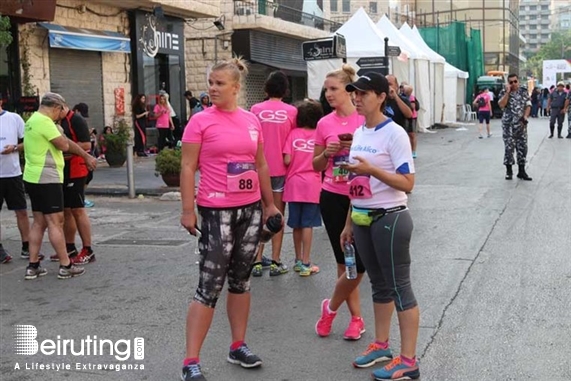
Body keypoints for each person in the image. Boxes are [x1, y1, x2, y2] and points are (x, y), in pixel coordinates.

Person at [179, 58, 281, 381]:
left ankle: (238, 345)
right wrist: (187, 209)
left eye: (219, 83)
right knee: (209, 285)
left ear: (236, 88)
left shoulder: (252, 121)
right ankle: (190, 361)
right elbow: (186, 167)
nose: (212, 88)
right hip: (214, 211)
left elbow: (261, 165)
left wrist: (269, 206)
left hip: (249, 210)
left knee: (241, 280)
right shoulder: (200, 121)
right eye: (211, 82)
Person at [341, 71, 420, 381]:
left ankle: (409, 360)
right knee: (379, 286)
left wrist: (372, 168)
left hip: (390, 218)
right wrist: (348, 221)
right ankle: (382, 345)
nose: (356, 98)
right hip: (362, 218)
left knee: (400, 289)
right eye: (355, 93)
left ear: (382, 96)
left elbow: (408, 182)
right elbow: (356, 180)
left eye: (363, 93)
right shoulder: (360, 132)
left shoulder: (394, 133)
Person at [313, 64, 367, 341]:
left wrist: (355, 151)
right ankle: (356, 319)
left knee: (361, 263)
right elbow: (315, 164)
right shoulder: (324, 123)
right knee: (346, 261)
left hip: (363, 194)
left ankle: (330, 307)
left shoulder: (364, 120)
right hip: (333, 195)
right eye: (326, 89)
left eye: (333, 89)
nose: (328, 94)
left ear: (349, 91)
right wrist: (329, 153)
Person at [22, 92, 97, 280]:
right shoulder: (45, 123)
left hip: (32, 176)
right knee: (56, 221)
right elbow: (63, 145)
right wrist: (86, 156)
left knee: (39, 222)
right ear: (55, 107)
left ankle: (33, 265)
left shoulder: (32, 120)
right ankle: (66, 264)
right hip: (47, 177)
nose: (60, 116)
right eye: (60, 111)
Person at [250, 71, 296, 277]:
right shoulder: (292, 112)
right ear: (285, 90)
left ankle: (257, 261)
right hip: (282, 168)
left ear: (266, 88)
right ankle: (276, 261)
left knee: (259, 214)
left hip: (258, 168)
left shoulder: (255, 110)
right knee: (277, 215)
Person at [51, 105, 96, 265]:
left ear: (60, 107)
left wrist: (65, 145)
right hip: (63, 168)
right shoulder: (57, 121)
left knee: (78, 209)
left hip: (77, 168)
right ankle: (69, 247)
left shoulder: (76, 120)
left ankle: (88, 249)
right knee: (66, 210)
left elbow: (87, 145)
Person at [283, 100, 323, 277]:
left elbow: (286, 160)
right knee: (308, 224)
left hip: (293, 184)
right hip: (312, 184)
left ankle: (298, 260)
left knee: (296, 224)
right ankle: (307, 262)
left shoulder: (293, 134)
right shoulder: (318, 136)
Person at [0, 96, 41, 263]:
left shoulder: (14, 118)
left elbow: (29, 141)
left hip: (12, 173)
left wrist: (15, 147)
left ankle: (26, 246)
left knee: (21, 211)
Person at [498, 74, 532, 181]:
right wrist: (508, 93)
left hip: (521, 125)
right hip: (509, 126)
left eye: (515, 81)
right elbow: (501, 105)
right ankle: (509, 171)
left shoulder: (523, 91)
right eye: (511, 82)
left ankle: (521, 171)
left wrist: (525, 116)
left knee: (522, 147)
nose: (513, 84)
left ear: (518, 81)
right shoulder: (504, 92)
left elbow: (528, 105)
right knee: (509, 148)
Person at [72, 103, 95, 208]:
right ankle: (81, 197)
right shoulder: (72, 121)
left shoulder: (79, 120)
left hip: (86, 153)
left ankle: (82, 196)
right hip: (77, 155)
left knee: (89, 176)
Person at [385, 75, 414, 155]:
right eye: (386, 84)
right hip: (384, 137)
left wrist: (395, 97)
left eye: (390, 84)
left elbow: (409, 114)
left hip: (398, 138)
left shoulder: (403, 100)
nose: (388, 87)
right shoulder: (380, 100)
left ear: (396, 86)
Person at [403, 85, 420, 156]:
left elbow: (413, 107)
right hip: (406, 117)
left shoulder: (411, 97)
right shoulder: (402, 96)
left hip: (412, 117)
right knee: (407, 134)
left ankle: (414, 151)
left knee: (412, 134)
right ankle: (409, 150)